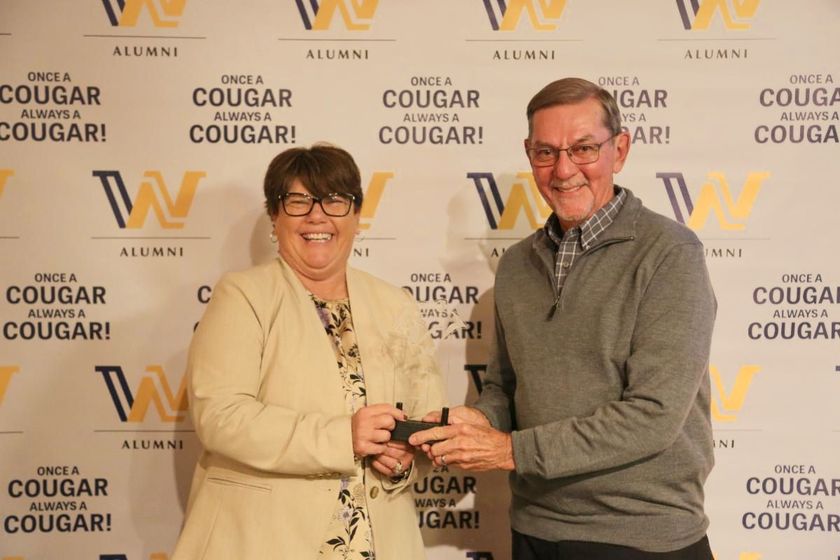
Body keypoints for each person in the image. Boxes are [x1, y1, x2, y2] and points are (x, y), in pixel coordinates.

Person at [411, 78, 717, 559]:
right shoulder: (515, 265)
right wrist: (474, 421)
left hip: (641, 540)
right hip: (533, 532)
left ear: (620, 149)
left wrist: (510, 451)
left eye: (584, 149)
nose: (564, 169)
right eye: (545, 153)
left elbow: (653, 415)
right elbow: (504, 389)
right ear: (528, 155)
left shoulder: (670, 254)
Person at [172, 144, 445, 560]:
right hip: (265, 540)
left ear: (356, 217)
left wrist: (403, 462)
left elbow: (426, 420)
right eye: (298, 201)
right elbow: (220, 416)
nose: (317, 216)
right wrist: (344, 436)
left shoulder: (396, 306)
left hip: (379, 545)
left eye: (335, 200)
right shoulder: (243, 295)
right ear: (274, 218)